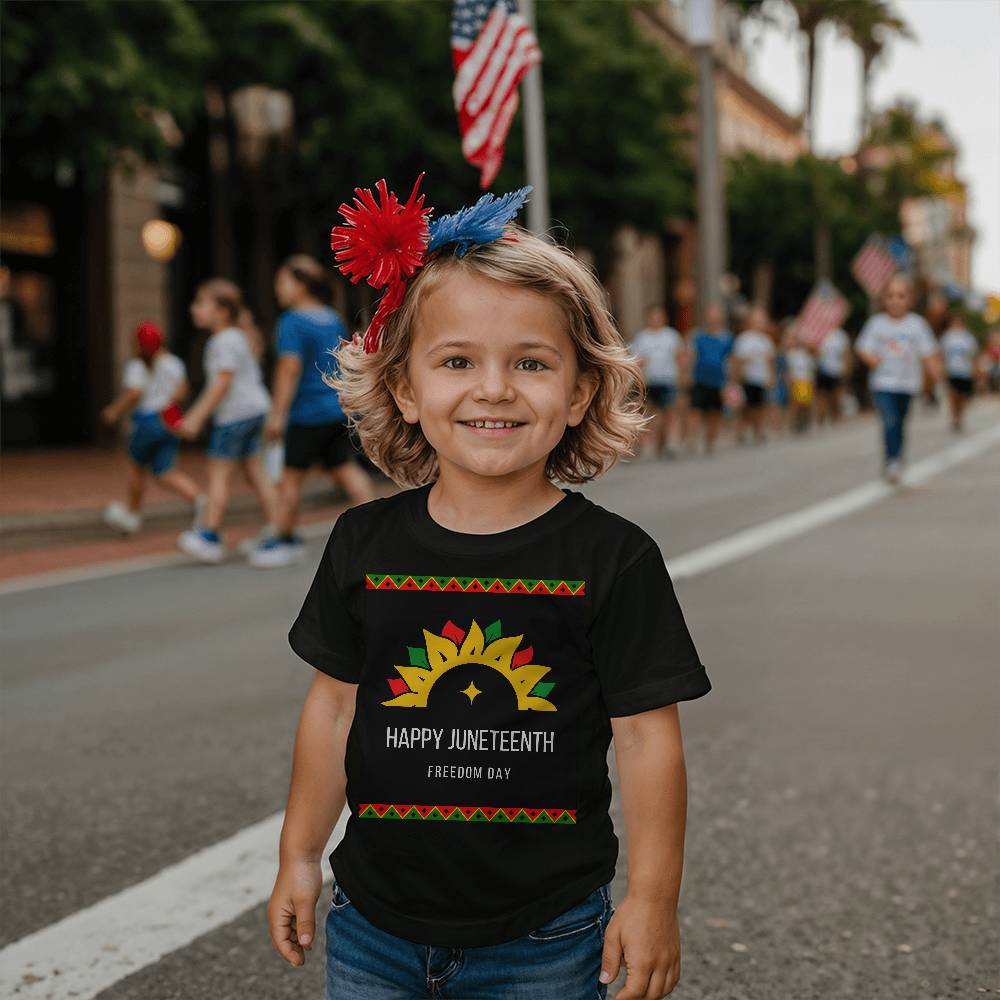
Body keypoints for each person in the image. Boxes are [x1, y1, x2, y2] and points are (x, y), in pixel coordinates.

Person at [266, 179, 712, 1000]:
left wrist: (652, 901)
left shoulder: (613, 559)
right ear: (405, 386)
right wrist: (298, 855)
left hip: (544, 932)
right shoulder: (363, 543)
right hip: (372, 924)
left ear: (581, 392)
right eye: (458, 361)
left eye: (532, 363)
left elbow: (649, 741)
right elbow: (333, 708)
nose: (495, 388)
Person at [250, 256, 376, 568]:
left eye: (282, 282)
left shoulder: (292, 321)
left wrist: (278, 415)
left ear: (301, 284)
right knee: (346, 470)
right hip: (335, 409)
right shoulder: (330, 317)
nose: (278, 289)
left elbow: (289, 369)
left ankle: (283, 538)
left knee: (290, 479)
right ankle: (379, 532)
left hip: (306, 414)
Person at [176, 279, 277, 562]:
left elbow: (222, 382)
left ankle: (209, 534)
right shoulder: (235, 337)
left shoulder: (223, 341)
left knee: (218, 474)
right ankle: (277, 528)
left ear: (221, 311)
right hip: (254, 409)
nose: (193, 309)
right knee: (255, 471)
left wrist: (195, 417)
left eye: (200, 303)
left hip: (235, 415)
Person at [101, 321, 203, 535]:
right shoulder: (174, 363)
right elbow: (182, 392)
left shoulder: (137, 365)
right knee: (165, 471)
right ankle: (200, 500)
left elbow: (134, 393)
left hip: (147, 421)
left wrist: (114, 411)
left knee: (136, 468)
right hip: (169, 420)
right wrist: (168, 403)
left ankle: (132, 514)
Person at [855, 275, 941, 484]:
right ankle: (892, 461)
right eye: (890, 295)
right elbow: (862, 347)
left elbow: (928, 353)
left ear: (910, 300)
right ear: (884, 299)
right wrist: (872, 359)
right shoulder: (876, 324)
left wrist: (936, 376)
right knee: (890, 420)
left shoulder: (917, 325)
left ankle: (896, 456)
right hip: (883, 383)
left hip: (907, 384)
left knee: (900, 423)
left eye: (901, 296)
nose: (895, 300)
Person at [629, 305, 685, 459]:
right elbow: (636, 361)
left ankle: (669, 442)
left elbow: (680, 358)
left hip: (668, 380)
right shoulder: (642, 338)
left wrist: (682, 378)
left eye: (658, 316)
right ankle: (642, 444)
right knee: (649, 415)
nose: (655, 319)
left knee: (669, 413)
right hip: (650, 381)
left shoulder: (671, 336)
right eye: (653, 316)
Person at [683, 303, 734, 455]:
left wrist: (730, 381)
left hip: (718, 380)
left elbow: (730, 360)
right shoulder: (697, 336)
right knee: (695, 410)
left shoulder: (726, 338)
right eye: (711, 316)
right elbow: (691, 355)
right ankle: (691, 441)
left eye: (716, 316)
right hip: (700, 379)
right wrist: (686, 373)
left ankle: (710, 441)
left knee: (714, 412)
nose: (713, 319)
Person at [731, 305, 774, 445]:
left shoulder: (766, 341)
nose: (759, 324)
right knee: (746, 407)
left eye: (762, 321)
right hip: (747, 378)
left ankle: (758, 431)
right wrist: (736, 377)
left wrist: (771, 377)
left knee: (759, 406)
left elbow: (770, 361)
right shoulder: (744, 339)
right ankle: (741, 431)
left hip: (760, 378)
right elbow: (736, 360)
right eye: (757, 321)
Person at [939, 311, 979, 433]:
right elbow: (941, 354)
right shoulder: (947, 337)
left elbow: (973, 355)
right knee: (953, 396)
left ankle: (960, 416)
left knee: (962, 397)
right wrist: (942, 369)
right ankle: (954, 417)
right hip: (951, 371)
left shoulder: (968, 338)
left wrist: (974, 370)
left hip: (965, 371)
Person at [814, 325, 852, 426]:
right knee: (821, 395)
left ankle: (835, 416)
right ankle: (820, 419)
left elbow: (846, 353)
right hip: (821, 370)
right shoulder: (818, 332)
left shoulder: (840, 335)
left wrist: (846, 369)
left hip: (836, 371)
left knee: (835, 395)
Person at [785, 326, 816, 435]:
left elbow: (811, 370)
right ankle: (794, 424)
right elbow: (788, 370)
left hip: (806, 381)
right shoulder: (791, 354)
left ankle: (805, 423)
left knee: (806, 405)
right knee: (795, 405)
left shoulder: (806, 355)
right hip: (796, 382)